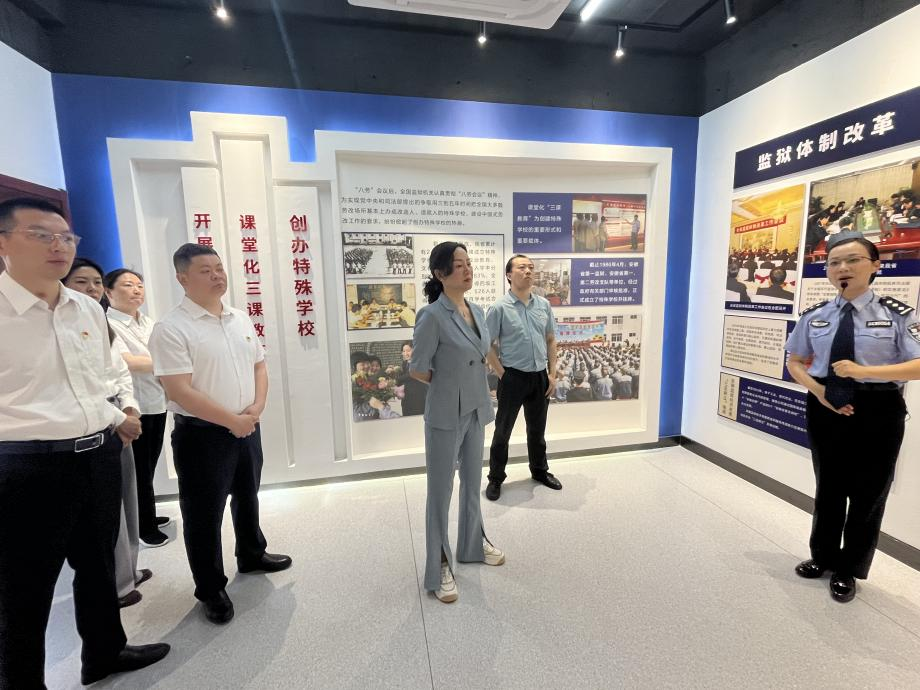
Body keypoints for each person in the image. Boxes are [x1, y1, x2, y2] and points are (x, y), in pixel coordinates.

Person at [0, 198, 169, 687]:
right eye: (41, 235)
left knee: (98, 565)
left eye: (66, 238)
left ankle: (105, 652)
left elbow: (106, 372)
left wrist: (124, 411)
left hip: (96, 454)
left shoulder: (88, 310)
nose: (59, 246)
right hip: (26, 466)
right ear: (4, 243)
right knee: (24, 588)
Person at [148, 243, 291, 625]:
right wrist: (231, 419)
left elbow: (259, 365)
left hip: (246, 425)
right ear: (182, 278)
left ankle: (251, 554)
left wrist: (256, 407)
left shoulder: (239, 318)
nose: (217, 276)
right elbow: (180, 390)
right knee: (203, 515)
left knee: (247, 494)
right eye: (205, 270)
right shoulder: (171, 328)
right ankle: (210, 588)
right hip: (202, 436)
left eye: (219, 268)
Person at [785, 231, 920, 603]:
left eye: (852, 260)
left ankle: (849, 567)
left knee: (868, 494)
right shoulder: (815, 316)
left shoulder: (897, 315)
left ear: (875, 265)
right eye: (834, 263)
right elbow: (795, 362)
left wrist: (864, 372)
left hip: (878, 409)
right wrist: (819, 392)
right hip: (825, 406)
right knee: (828, 487)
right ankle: (822, 556)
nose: (842, 268)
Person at [409, 241, 504, 604]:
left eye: (468, 263)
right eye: (459, 264)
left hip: (477, 407)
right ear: (440, 274)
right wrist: (449, 382)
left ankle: (472, 544)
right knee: (440, 490)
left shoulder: (476, 310)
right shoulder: (432, 316)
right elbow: (418, 368)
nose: (467, 270)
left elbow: (482, 354)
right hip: (446, 412)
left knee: (472, 481)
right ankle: (440, 564)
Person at [63, 258, 151, 609]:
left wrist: (129, 408)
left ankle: (128, 571)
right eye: (81, 282)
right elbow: (78, 384)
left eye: (96, 282)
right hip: (94, 424)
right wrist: (119, 417)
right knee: (103, 513)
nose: (91, 289)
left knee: (127, 499)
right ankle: (116, 584)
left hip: (119, 416)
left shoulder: (97, 320)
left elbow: (120, 373)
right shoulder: (61, 324)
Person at [484, 254, 562, 501]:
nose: (528, 271)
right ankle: (496, 478)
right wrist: (502, 374)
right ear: (509, 275)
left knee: (537, 431)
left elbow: (550, 339)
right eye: (521, 267)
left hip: (540, 377)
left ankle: (539, 471)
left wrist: (552, 374)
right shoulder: (499, 307)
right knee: (502, 432)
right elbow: (486, 344)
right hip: (513, 377)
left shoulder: (543, 305)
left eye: (531, 267)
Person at [105, 268, 172, 548]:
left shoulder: (148, 322)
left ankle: (148, 514)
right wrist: (170, 364)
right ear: (109, 292)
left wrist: (164, 362)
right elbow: (128, 362)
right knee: (138, 470)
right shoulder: (108, 323)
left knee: (149, 465)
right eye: (127, 285)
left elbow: (160, 356)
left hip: (157, 401)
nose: (136, 290)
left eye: (139, 285)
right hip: (132, 407)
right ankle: (144, 527)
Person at [397, 341, 427, 416]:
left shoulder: (419, 363)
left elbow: (409, 375)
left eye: (408, 351)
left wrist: (394, 380)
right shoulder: (405, 363)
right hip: (407, 400)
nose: (405, 353)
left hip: (418, 400)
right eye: (403, 351)